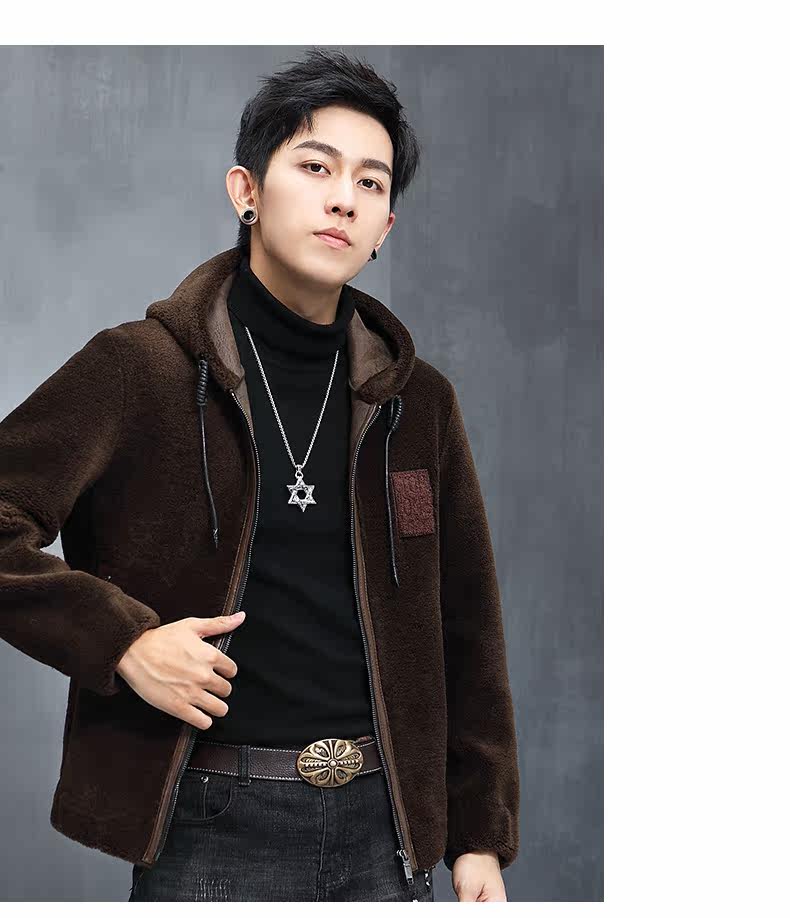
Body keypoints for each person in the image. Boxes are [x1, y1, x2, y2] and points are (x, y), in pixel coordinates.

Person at [0, 47, 519, 902]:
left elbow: (469, 627)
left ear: (384, 229)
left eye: (371, 183)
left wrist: (478, 838)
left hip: (387, 831)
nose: (344, 198)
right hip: (212, 822)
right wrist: (121, 642)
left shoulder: (416, 402)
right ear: (247, 191)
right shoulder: (140, 370)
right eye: (316, 166)